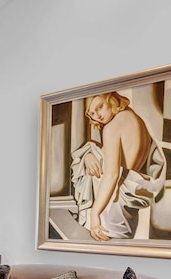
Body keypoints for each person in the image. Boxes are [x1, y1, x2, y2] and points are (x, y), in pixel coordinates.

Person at [71, 91, 166, 241]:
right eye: (91, 113)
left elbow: (112, 175)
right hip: (123, 201)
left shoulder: (112, 128)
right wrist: (89, 155)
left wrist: (95, 213)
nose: (97, 115)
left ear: (111, 99)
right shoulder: (135, 119)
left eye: (100, 107)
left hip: (109, 204)